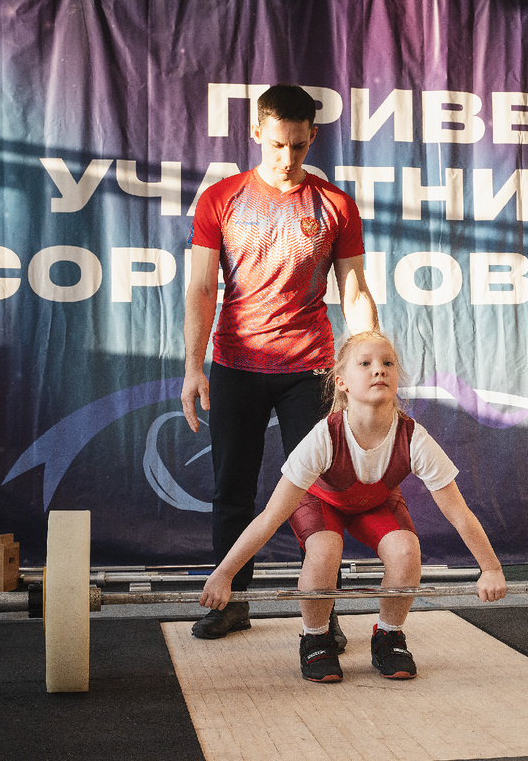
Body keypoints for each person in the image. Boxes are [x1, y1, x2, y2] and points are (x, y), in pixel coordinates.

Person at [182, 84, 380, 643]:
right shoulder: (221, 199)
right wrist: (193, 367)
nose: (288, 158)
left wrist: (366, 370)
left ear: (312, 136)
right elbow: (200, 287)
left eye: (298, 146)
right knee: (232, 490)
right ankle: (229, 602)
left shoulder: (335, 204)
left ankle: (322, 612)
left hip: (310, 369)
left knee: (319, 493)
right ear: (256, 134)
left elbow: (356, 291)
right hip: (237, 364)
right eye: (276, 145)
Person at [199, 331, 507, 682]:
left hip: (374, 504)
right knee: (325, 550)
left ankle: (389, 635)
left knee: (406, 551)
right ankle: (315, 638)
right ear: (341, 381)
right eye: (366, 364)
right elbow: (271, 517)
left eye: (387, 363)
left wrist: (491, 568)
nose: (380, 370)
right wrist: (224, 574)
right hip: (320, 501)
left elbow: (459, 512)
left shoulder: (413, 437)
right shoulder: (324, 436)